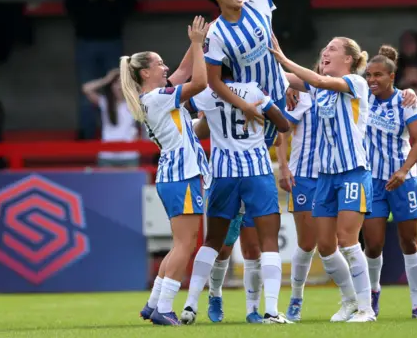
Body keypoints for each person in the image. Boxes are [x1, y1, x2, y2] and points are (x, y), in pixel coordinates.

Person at [269, 34, 376, 323]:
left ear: (349, 59)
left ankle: (366, 308)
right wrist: (264, 55)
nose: (325, 53)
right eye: (325, 48)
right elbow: (286, 77)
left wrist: (283, 59)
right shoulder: (319, 91)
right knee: (326, 246)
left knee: (348, 240)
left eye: (332, 49)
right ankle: (349, 301)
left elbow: (317, 81)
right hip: (325, 176)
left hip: (353, 171)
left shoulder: (356, 82)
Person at [182, 63, 292, 324]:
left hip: (223, 172)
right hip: (256, 171)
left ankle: (189, 306)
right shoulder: (253, 90)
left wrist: (209, 121)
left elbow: (182, 111)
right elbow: (284, 125)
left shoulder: (206, 93)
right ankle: (272, 311)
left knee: (213, 242)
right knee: (268, 242)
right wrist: (262, 118)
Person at [122, 16, 211, 326]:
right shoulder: (159, 99)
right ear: (145, 72)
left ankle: (153, 304)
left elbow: (185, 71)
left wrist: (197, 37)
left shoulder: (152, 98)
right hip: (182, 174)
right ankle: (164, 307)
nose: (165, 67)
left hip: (172, 174)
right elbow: (199, 82)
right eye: (159, 64)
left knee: (180, 243)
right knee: (186, 244)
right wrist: (199, 45)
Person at [197, 0, 304, 149]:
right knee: (253, 157)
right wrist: (244, 104)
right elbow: (214, 82)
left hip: (280, 91)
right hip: (251, 101)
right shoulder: (215, 33)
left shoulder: (257, 2)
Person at [181, 111, 265, 324]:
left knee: (253, 248)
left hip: (253, 179)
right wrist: (207, 116)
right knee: (222, 247)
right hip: (222, 179)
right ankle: (215, 294)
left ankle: (252, 308)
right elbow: (194, 131)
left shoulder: (254, 99)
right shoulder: (213, 101)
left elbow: (278, 132)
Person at [362, 46, 417, 319]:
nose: (372, 80)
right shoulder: (361, 96)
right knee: (373, 244)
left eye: (378, 75)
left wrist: (403, 171)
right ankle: (373, 293)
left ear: (392, 76)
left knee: (409, 242)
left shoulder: (405, 101)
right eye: (368, 75)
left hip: (402, 181)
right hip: (373, 181)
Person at [65, 0, 137, 140]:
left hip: (112, 41)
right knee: (86, 91)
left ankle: (121, 136)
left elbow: (131, 6)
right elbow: (70, 8)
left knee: (119, 89)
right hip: (86, 42)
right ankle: (87, 136)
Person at [275, 54, 324, 322]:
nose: (326, 64)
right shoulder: (304, 96)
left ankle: (357, 300)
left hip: (336, 175)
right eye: (323, 61)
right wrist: (283, 166)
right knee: (307, 243)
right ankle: (296, 296)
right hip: (304, 176)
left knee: (339, 241)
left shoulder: (350, 91)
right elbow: (282, 130)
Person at [82, 68, 140, 167]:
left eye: (122, 83)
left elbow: (148, 89)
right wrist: (106, 79)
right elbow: (86, 89)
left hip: (128, 155)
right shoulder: (104, 102)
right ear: (111, 86)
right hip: (107, 155)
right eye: (116, 83)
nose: (119, 87)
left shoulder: (134, 102)